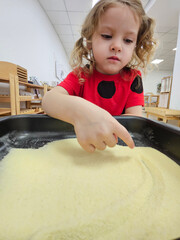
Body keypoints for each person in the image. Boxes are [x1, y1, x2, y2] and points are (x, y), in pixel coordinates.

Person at [42, 0, 156, 153]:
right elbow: (48, 101)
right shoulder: (80, 75)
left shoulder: (133, 79)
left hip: (115, 151)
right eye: (107, 36)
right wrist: (79, 112)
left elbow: (133, 125)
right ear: (89, 41)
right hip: (83, 149)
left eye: (128, 40)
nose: (117, 46)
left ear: (135, 45)